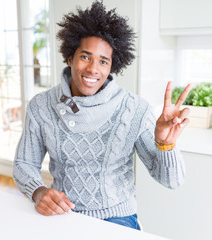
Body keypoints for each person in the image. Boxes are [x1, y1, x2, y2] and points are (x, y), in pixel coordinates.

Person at [13, 1, 191, 230]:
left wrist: (166, 145)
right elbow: (24, 163)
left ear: (111, 67)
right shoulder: (41, 106)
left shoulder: (134, 109)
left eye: (103, 61)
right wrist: (38, 192)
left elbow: (172, 181)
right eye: (85, 57)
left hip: (118, 218)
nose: (93, 69)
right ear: (69, 58)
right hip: (62, 213)